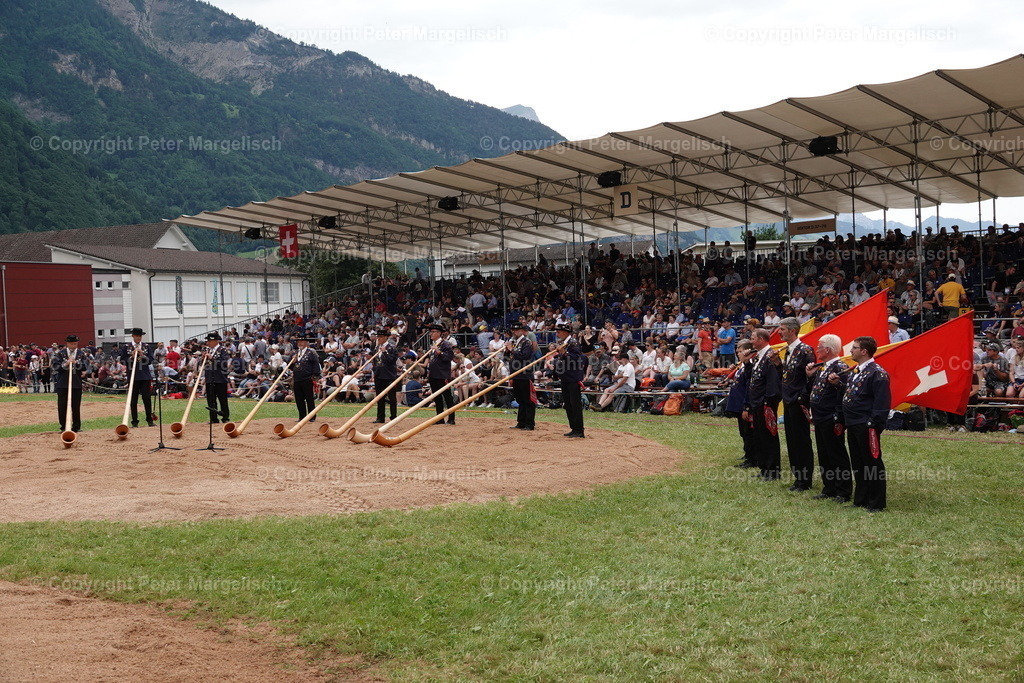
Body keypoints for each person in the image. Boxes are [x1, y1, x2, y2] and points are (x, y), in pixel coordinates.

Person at [831, 335, 890, 512]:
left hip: (866, 424)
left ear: (864, 351)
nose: (850, 351)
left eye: (854, 348)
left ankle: (876, 502)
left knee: (872, 463)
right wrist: (839, 385)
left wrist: (873, 424)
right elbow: (855, 394)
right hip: (853, 423)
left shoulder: (877, 373)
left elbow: (881, 402)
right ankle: (861, 499)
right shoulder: (857, 370)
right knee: (858, 463)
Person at [806, 334, 852, 503]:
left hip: (831, 417)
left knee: (837, 454)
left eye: (819, 347)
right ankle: (829, 487)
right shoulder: (824, 367)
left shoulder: (840, 367)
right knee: (824, 454)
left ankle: (843, 490)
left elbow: (845, 393)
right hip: (820, 416)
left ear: (827, 349)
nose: (816, 350)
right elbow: (818, 390)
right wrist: (810, 375)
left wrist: (838, 417)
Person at [779, 317, 816, 492]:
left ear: (792, 330)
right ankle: (797, 477)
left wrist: (802, 399)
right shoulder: (789, 351)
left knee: (801, 441)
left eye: (782, 329)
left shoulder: (805, 350)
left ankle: (804, 480)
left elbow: (810, 378)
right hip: (788, 401)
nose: (779, 332)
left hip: (797, 402)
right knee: (792, 440)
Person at [745, 328, 782, 480]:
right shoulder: (758, 357)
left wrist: (767, 402)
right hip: (757, 403)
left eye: (753, 338)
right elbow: (752, 379)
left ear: (760, 339)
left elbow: (773, 382)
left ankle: (773, 470)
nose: (751, 341)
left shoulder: (770, 356)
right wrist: (747, 362)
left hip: (765, 403)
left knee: (768, 436)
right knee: (759, 436)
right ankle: (764, 468)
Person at [724, 340, 756, 469]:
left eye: (740, 351)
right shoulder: (741, 366)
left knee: (748, 432)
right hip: (738, 404)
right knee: (743, 432)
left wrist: (746, 406)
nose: (737, 353)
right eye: (737, 350)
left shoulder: (750, 366)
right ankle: (747, 453)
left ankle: (752, 458)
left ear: (747, 351)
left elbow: (748, 386)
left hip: (744, 404)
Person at [552, 324, 585, 438]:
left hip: (573, 377)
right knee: (568, 404)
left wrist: (564, 353)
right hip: (565, 377)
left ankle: (579, 429)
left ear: (566, 332)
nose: (557, 334)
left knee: (575, 404)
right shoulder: (565, 343)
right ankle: (573, 428)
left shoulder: (573, 342)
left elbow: (576, 358)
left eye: (559, 332)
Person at [120, 328, 155, 427]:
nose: (138, 338)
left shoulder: (146, 346)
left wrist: (142, 355)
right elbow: (122, 360)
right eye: (136, 336)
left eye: (140, 336)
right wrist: (131, 356)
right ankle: (134, 421)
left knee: (147, 398)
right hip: (133, 376)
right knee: (133, 399)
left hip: (144, 376)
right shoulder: (126, 347)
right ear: (133, 336)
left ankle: (149, 420)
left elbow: (151, 360)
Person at [54, 335, 88, 433]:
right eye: (72, 344)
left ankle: (76, 427)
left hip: (76, 383)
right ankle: (64, 427)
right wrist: (66, 363)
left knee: (76, 406)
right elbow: (56, 367)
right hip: (62, 383)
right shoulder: (60, 354)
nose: (74, 346)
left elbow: (85, 367)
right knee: (62, 406)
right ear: (67, 344)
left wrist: (76, 362)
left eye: (75, 344)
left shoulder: (81, 354)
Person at [507, 322, 538, 430]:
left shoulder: (526, 342)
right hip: (516, 374)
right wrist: (508, 350)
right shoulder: (513, 342)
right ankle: (521, 422)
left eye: (516, 330)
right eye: (513, 330)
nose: (514, 332)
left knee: (528, 400)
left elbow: (524, 356)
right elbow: (510, 357)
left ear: (522, 331)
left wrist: (511, 349)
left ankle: (529, 424)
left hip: (525, 374)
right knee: (520, 400)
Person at [426, 324, 456, 425]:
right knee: (437, 397)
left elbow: (449, 357)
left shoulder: (445, 344)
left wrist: (440, 352)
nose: (431, 334)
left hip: (442, 375)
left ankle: (451, 418)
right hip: (433, 374)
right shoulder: (433, 344)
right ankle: (440, 418)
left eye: (433, 332)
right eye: (431, 332)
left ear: (439, 333)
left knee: (447, 397)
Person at [372, 330, 400, 423]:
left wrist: (384, 352)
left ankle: (393, 417)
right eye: (378, 336)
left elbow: (392, 360)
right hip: (379, 375)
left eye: (380, 336)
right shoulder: (377, 348)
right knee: (379, 397)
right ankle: (380, 417)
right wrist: (375, 371)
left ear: (385, 337)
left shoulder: (391, 348)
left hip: (389, 376)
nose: (378, 338)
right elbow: (375, 361)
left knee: (392, 398)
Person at [204, 332, 232, 424]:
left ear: (215, 341)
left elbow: (223, 363)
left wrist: (212, 358)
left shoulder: (223, 350)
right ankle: (213, 419)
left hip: (220, 379)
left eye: (209, 341)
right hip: (209, 378)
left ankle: (225, 417)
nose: (207, 343)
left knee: (222, 399)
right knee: (211, 400)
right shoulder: (208, 350)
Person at [292, 337, 321, 421]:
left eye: (301, 342)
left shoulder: (311, 353)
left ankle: (311, 416)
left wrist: (315, 376)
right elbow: (292, 366)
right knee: (299, 399)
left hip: (307, 378)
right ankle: (302, 416)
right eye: (298, 342)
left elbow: (316, 364)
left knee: (309, 398)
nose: (300, 344)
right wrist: (292, 362)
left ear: (306, 343)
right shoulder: (296, 354)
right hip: (297, 379)